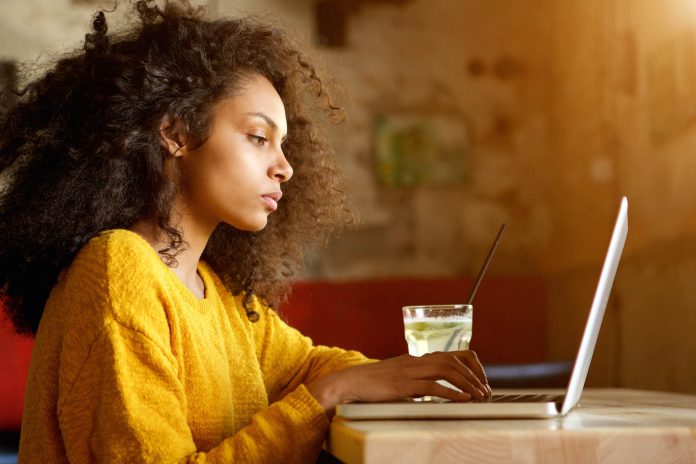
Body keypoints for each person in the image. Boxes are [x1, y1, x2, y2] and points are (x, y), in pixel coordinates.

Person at [0, 1, 491, 462]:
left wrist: (396, 375)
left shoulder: (219, 294)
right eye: (259, 138)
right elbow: (320, 386)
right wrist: (331, 395)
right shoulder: (116, 271)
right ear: (176, 134)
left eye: (283, 144)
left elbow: (306, 366)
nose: (286, 168)